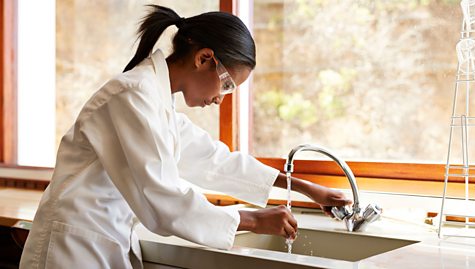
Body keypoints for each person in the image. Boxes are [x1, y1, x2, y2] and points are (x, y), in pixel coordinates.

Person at [20, 5, 352, 269]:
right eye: (226, 85)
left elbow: (212, 160)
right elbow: (163, 198)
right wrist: (250, 219)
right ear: (204, 58)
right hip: (72, 248)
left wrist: (303, 186)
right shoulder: (133, 96)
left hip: (100, 241)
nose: (222, 98)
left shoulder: (156, 100)